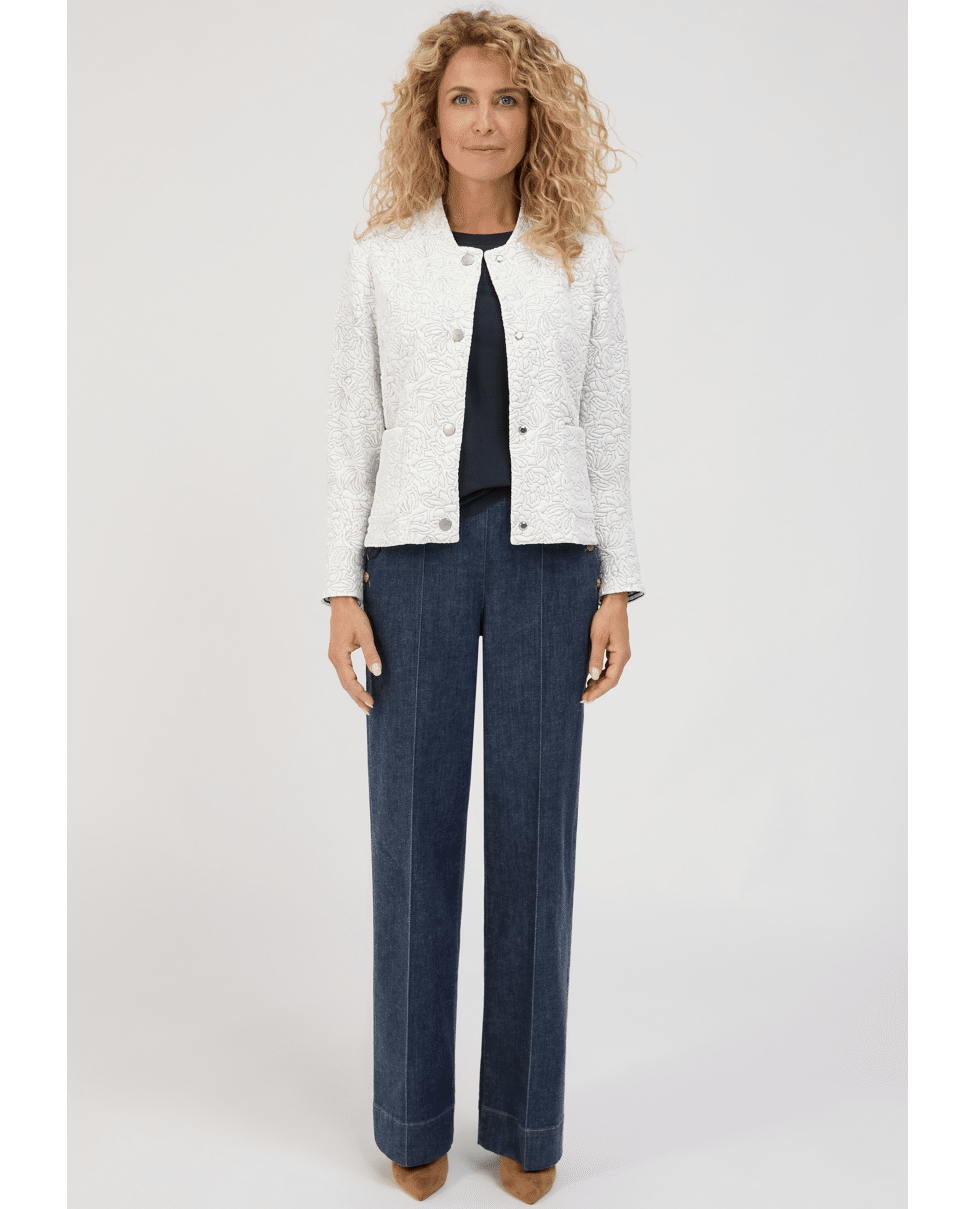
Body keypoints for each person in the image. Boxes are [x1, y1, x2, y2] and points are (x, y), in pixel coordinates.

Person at [321, 9, 644, 1202]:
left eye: (506, 99)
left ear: (534, 118)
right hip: (411, 562)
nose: (485, 120)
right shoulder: (381, 258)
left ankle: (524, 1119)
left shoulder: (581, 258)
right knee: (412, 837)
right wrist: (341, 589)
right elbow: (352, 434)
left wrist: (617, 582)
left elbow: (607, 431)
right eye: (462, 98)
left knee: (534, 834)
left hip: (549, 561)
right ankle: (411, 1116)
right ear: (431, 116)